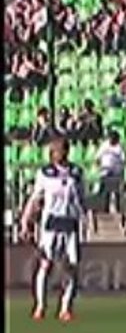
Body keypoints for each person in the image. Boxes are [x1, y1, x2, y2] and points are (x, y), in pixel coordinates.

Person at [19, 137, 85, 322]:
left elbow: (81, 199)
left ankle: (65, 307)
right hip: (51, 224)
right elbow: (35, 198)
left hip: (70, 224)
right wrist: (25, 222)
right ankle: (40, 305)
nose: (57, 153)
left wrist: (84, 218)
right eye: (54, 151)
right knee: (46, 264)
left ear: (66, 151)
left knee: (70, 267)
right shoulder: (45, 173)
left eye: (60, 150)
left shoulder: (76, 173)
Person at [95, 130, 126, 219]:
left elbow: (124, 160)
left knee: (117, 192)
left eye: (115, 139)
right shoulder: (104, 146)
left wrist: (120, 170)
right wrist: (100, 168)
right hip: (105, 172)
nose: (113, 140)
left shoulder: (120, 148)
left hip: (116, 173)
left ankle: (118, 210)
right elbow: (97, 157)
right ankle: (104, 210)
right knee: (105, 192)